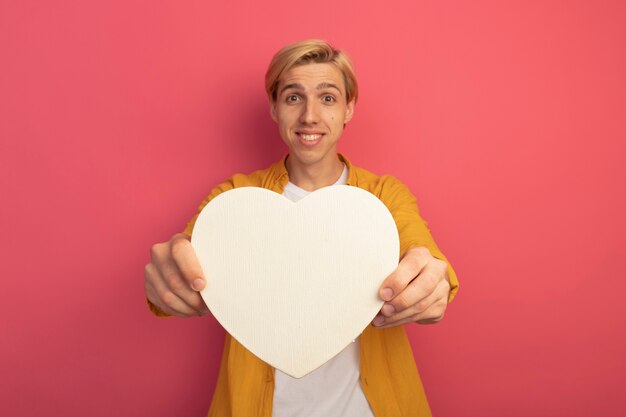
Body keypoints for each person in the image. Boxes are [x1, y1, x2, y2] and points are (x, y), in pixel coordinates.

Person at [145, 39, 459, 417]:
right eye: (294, 98)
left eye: (328, 98)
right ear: (274, 109)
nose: (310, 116)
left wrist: (432, 280)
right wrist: (168, 275)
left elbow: (422, 252)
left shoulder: (383, 196)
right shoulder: (236, 197)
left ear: (349, 109)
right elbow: (187, 252)